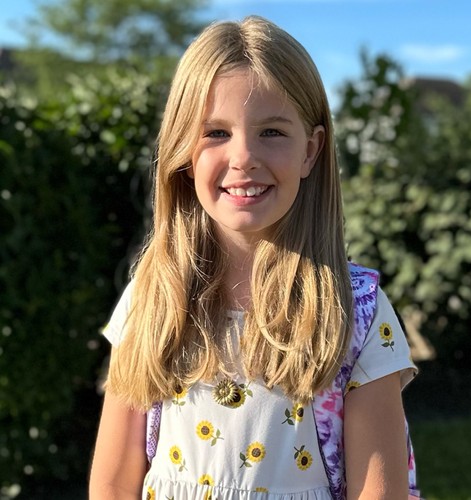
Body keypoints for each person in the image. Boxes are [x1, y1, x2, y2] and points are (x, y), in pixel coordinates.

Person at [89, 16, 420, 500]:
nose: (243, 156)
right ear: (183, 151)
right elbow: (113, 482)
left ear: (311, 151)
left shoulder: (356, 313)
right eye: (215, 132)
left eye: (271, 132)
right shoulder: (151, 298)